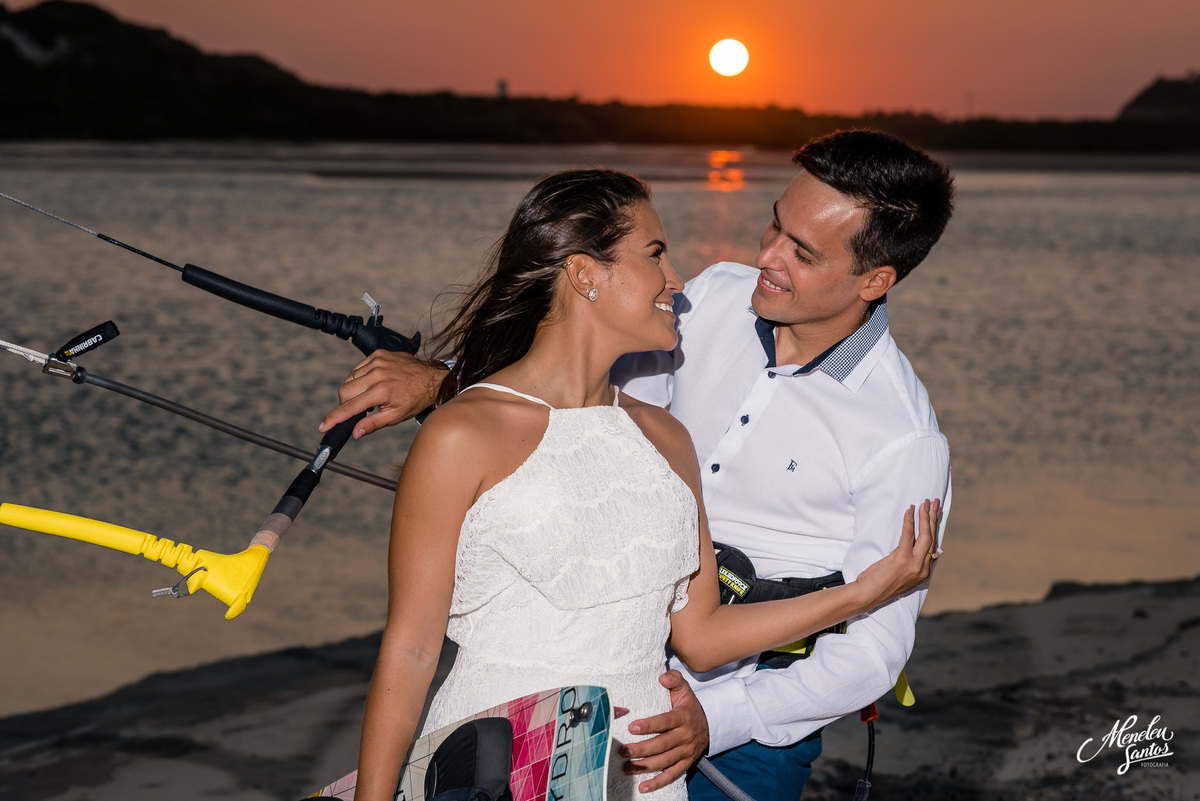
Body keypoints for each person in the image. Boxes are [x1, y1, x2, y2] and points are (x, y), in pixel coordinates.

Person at [348, 167, 941, 801]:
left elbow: (871, 649)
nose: (765, 255)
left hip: (736, 717)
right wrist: (444, 383)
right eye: (775, 225)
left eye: (802, 251)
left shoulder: (899, 434)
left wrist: (722, 713)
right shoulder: (713, 300)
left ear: (875, 279)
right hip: (503, 741)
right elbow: (561, 392)